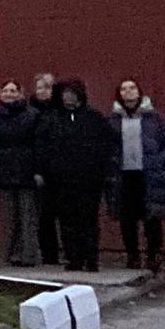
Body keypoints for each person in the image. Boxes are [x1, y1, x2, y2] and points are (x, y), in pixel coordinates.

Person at [33, 78, 116, 274]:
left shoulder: (94, 118)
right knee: (67, 220)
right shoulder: (52, 119)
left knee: (89, 219)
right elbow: (41, 147)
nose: (68, 98)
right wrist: (42, 170)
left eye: (72, 94)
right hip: (61, 180)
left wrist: (102, 170)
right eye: (65, 94)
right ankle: (73, 258)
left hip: (89, 180)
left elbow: (107, 146)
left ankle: (91, 258)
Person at [106, 78, 165, 273]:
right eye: (124, 89)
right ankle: (132, 255)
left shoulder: (154, 117)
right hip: (124, 175)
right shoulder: (113, 119)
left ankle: (153, 255)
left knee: (152, 217)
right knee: (127, 218)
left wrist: (159, 160)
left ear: (139, 92)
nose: (128, 92)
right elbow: (108, 145)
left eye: (132, 88)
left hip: (148, 173)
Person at [0, 79, 42, 268]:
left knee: (27, 215)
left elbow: (39, 145)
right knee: (8, 217)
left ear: (20, 94)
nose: (9, 94)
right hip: (3, 172)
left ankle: (28, 255)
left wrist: (38, 170)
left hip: (27, 171)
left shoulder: (33, 115)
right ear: (0, 94)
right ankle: (9, 255)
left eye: (13, 91)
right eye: (5, 91)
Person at [28, 72, 63, 267]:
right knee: (44, 215)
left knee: (64, 213)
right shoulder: (30, 112)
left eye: (47, 87)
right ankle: (49, 254)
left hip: (61, 170)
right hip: (39, 170)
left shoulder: (62, 111)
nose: (42, 91)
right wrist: (36, 170)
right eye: (39, 87)